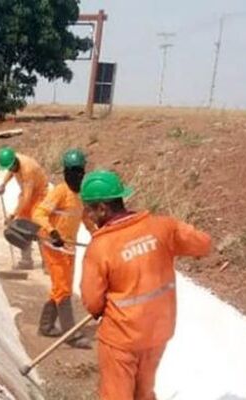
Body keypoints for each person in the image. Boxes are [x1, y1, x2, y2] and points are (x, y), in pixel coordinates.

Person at [79, 170, 211, 400]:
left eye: (90, 209)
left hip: (121, 338)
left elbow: (92, 301)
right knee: (144, 392)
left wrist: (100, 309)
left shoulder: (100, 248)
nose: (88, 216)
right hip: (157, 333)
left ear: (102, 209)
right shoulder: (162, 227)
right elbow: (203, 244)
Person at [31, 149, 96, 348]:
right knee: (64, 290)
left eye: (80, 171)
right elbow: (39, 214)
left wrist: (99, 236)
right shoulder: (60, 191)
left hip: (68, 249)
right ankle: (71, 334)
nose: (77, 175)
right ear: (66, 172)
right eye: (73, 171)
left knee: (60, 289)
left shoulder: (80, 196)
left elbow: (86, 219)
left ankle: (46, 326)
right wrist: (52, 232)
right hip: (53, 246)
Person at [0, 147, 49, 269]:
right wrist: (4, 184)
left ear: (15, 162)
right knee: (21, 226)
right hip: (27, 192)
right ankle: (26, 261)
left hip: (40, 195)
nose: (9, 169)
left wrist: (13, 215)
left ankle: (47, 262)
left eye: (10, 166)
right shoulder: (13, 160)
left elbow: (27, 198)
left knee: (39, 227)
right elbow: (11, 171)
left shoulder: (28, 170)